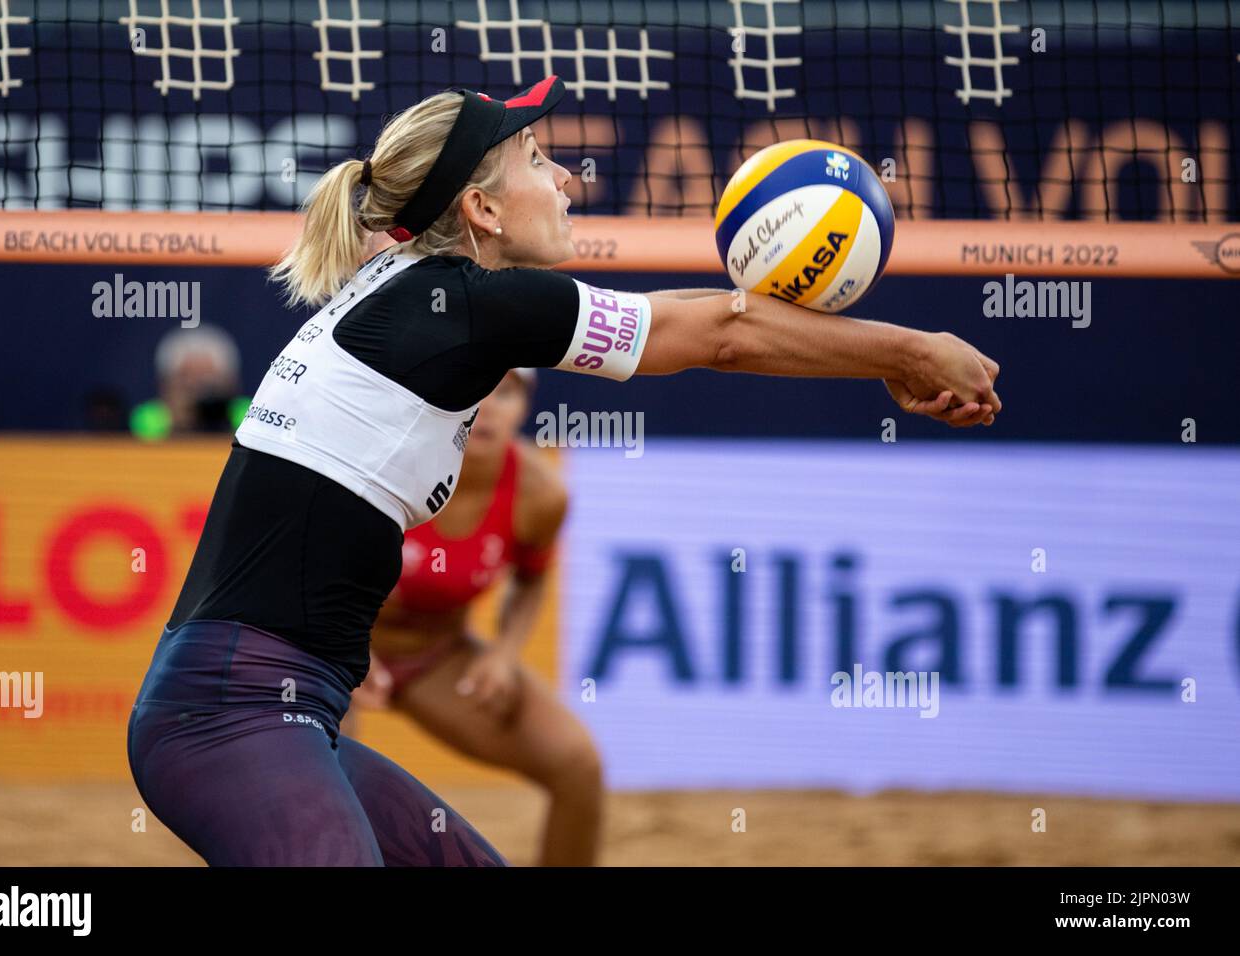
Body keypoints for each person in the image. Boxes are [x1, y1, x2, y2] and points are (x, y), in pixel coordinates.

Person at [127, 72, 1001, 867]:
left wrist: (890, 359)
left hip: (282, 708)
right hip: (227, 712)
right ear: (483, 210)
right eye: (539, 161)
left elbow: (702, 315)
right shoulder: (461, 304)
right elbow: (722, 333)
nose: (568, 180)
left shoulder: (419, 289)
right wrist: (914, 348)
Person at [341, 366, 603, 866]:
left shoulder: (541, 493)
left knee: (578, 765)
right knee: (319, 780)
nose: (488, 406)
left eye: (505, 392)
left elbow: (531, 577)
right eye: (477, 386)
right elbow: (311, 558)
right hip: (332, 646)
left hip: (437, 656)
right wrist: (346, 647)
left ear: (523, 408)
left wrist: (505, 655)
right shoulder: (386, 458)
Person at [130, 324, 250, 440]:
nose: (199, 391)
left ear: (231, 383)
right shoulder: (146, 423)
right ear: (165, 385)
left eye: (210, 380)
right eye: (186, 380)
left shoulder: (249, 418)